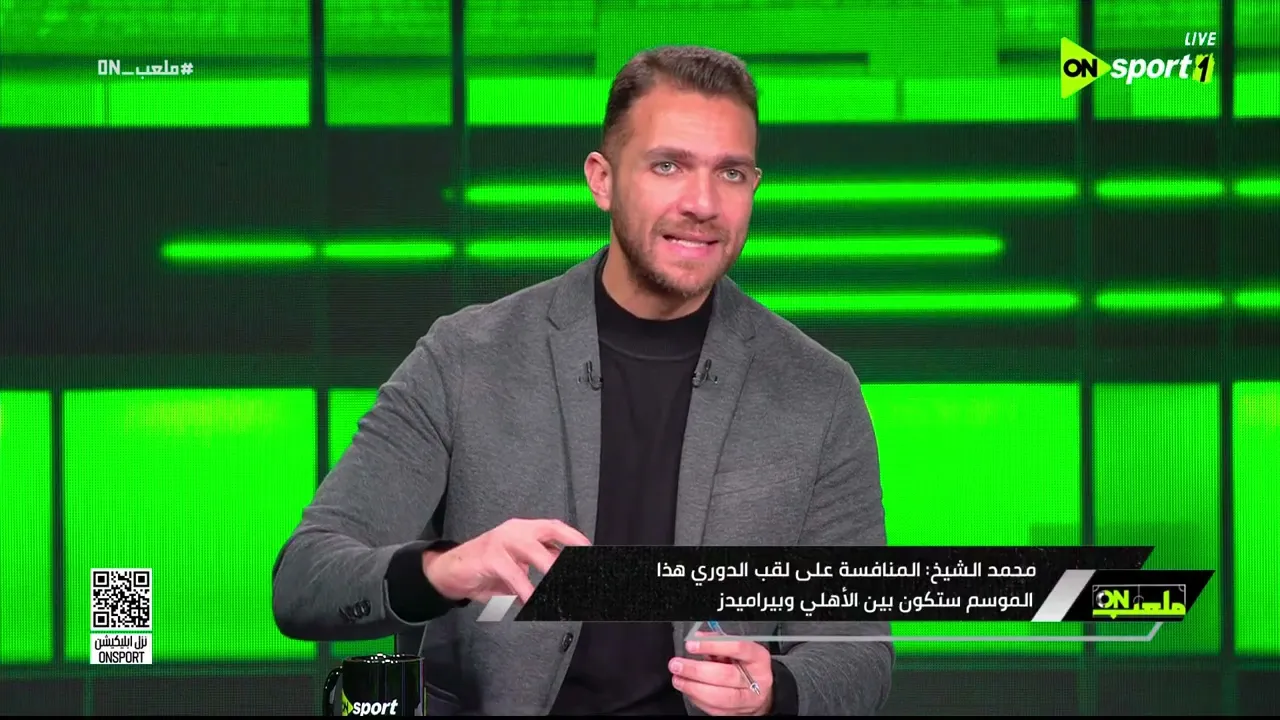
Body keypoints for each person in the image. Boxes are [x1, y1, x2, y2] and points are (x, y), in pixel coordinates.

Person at [272, 44, 893, 716]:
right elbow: (304, 581)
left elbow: (859, 651)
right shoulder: (465, 358)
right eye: (667, 165)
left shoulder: (819, 392)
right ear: (602, 180)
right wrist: (444, 569)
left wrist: (776, 692)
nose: (703, 203)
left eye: (731, 173)